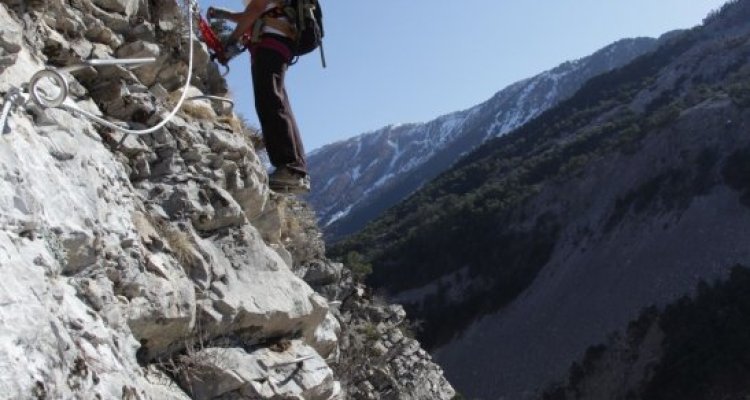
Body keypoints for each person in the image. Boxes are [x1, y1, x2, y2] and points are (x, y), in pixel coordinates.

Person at [217, 0, 310, 194]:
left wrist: (231, 40)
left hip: (271, 41)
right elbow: (256, 12)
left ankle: (289, 166)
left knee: (268, 99)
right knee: (278, 100)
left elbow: (256, 9)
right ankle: (296, 169)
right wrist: (224, 15)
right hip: (279, 42)